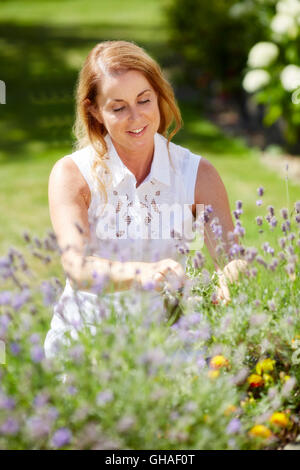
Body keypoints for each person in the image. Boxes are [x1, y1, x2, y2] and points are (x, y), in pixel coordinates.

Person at [44, 40, 247, 359]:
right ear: (94, 110)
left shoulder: (198, 175)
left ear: (159, 97)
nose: (136, 118)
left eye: (144, 100)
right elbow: (77, 266)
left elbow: (232, 258)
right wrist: (145, 274)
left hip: (172, 347)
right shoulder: (71, 175)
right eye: (118, 107)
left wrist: (230, 279)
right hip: (88, 348)